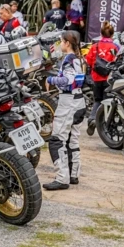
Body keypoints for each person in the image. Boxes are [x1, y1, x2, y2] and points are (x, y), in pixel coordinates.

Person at [43, 30, 86, 191]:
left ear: (67, 43)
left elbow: (68, 80)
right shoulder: (80, 58)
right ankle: (73, 175)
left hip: (68, 103)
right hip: (79, 101)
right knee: (72, 140)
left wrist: (50, 79)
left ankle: (62, 178)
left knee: (56, 141)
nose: (60, 44)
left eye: (61, 41)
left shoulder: (68, 59)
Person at [85, 22, 119, 136]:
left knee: (97, 100)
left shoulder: (95, 46)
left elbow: (89, 60)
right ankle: (104, 126)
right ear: (112, 34)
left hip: (96, 78)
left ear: (101, 33)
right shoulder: (114, 47)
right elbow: (118, 62)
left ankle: (92, 119)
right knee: (107, 102)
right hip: (108, 79)